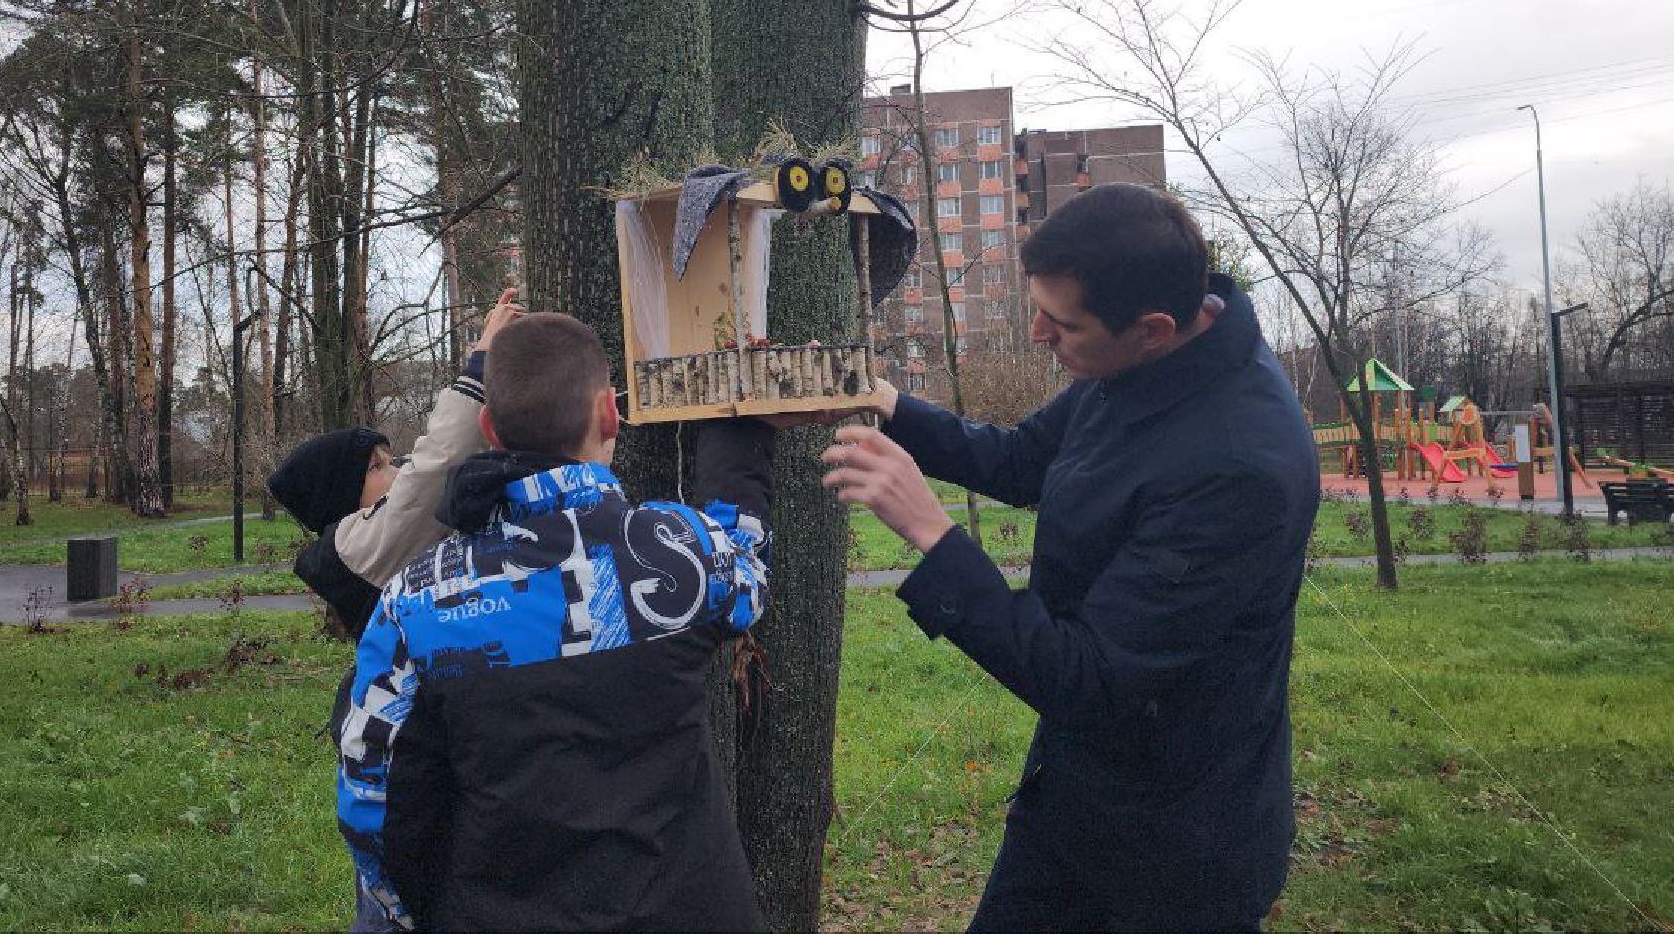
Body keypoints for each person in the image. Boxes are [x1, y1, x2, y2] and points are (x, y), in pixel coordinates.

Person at [820, 182, 1319, 931]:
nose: (1036, 335)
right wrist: (893, 406)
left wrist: (933, 535)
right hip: (1074, 796)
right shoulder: (1134, 365)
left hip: (1175, 852)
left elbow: (1089, 678)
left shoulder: (1239, 466)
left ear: (1151, 328)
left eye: (1060, 323)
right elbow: (1026, 459)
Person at [339, 312, 776, 932]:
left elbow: (371, 795)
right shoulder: (683, 551)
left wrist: (410, 906)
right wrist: (740, 426)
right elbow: (748, 569)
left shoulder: (418, 600)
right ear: (609, 415)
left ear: (489, 428)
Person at [267, 289, 523, 930]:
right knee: (397, 904)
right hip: (404, 753)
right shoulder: (356, 546)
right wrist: (477, 366)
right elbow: (431, 476)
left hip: (427, 740)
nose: (397, 469)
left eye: (390, 458)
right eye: (379, 467)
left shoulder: (375, 540)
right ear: (342, 499)